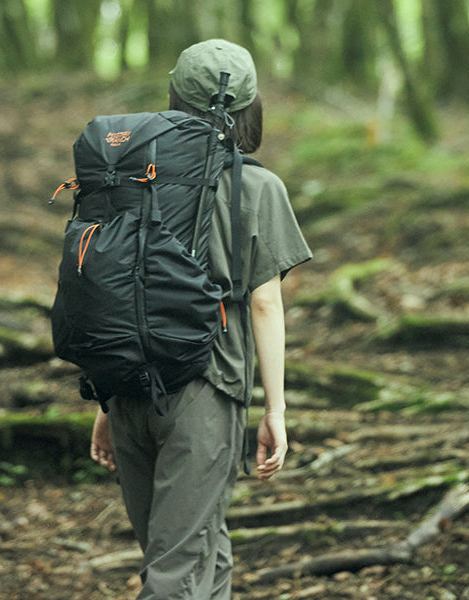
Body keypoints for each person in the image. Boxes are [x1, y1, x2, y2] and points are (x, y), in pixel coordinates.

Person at [90, 39, 312, 599]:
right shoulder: (258, 187)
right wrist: (276, 410)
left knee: (199, 551)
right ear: (250, 108)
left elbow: (108, 286)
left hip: (128, 385)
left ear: (171, 99)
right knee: (177, 569)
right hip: (205, 392)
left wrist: (104, 397)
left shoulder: (128, 175)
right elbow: (264, 303)